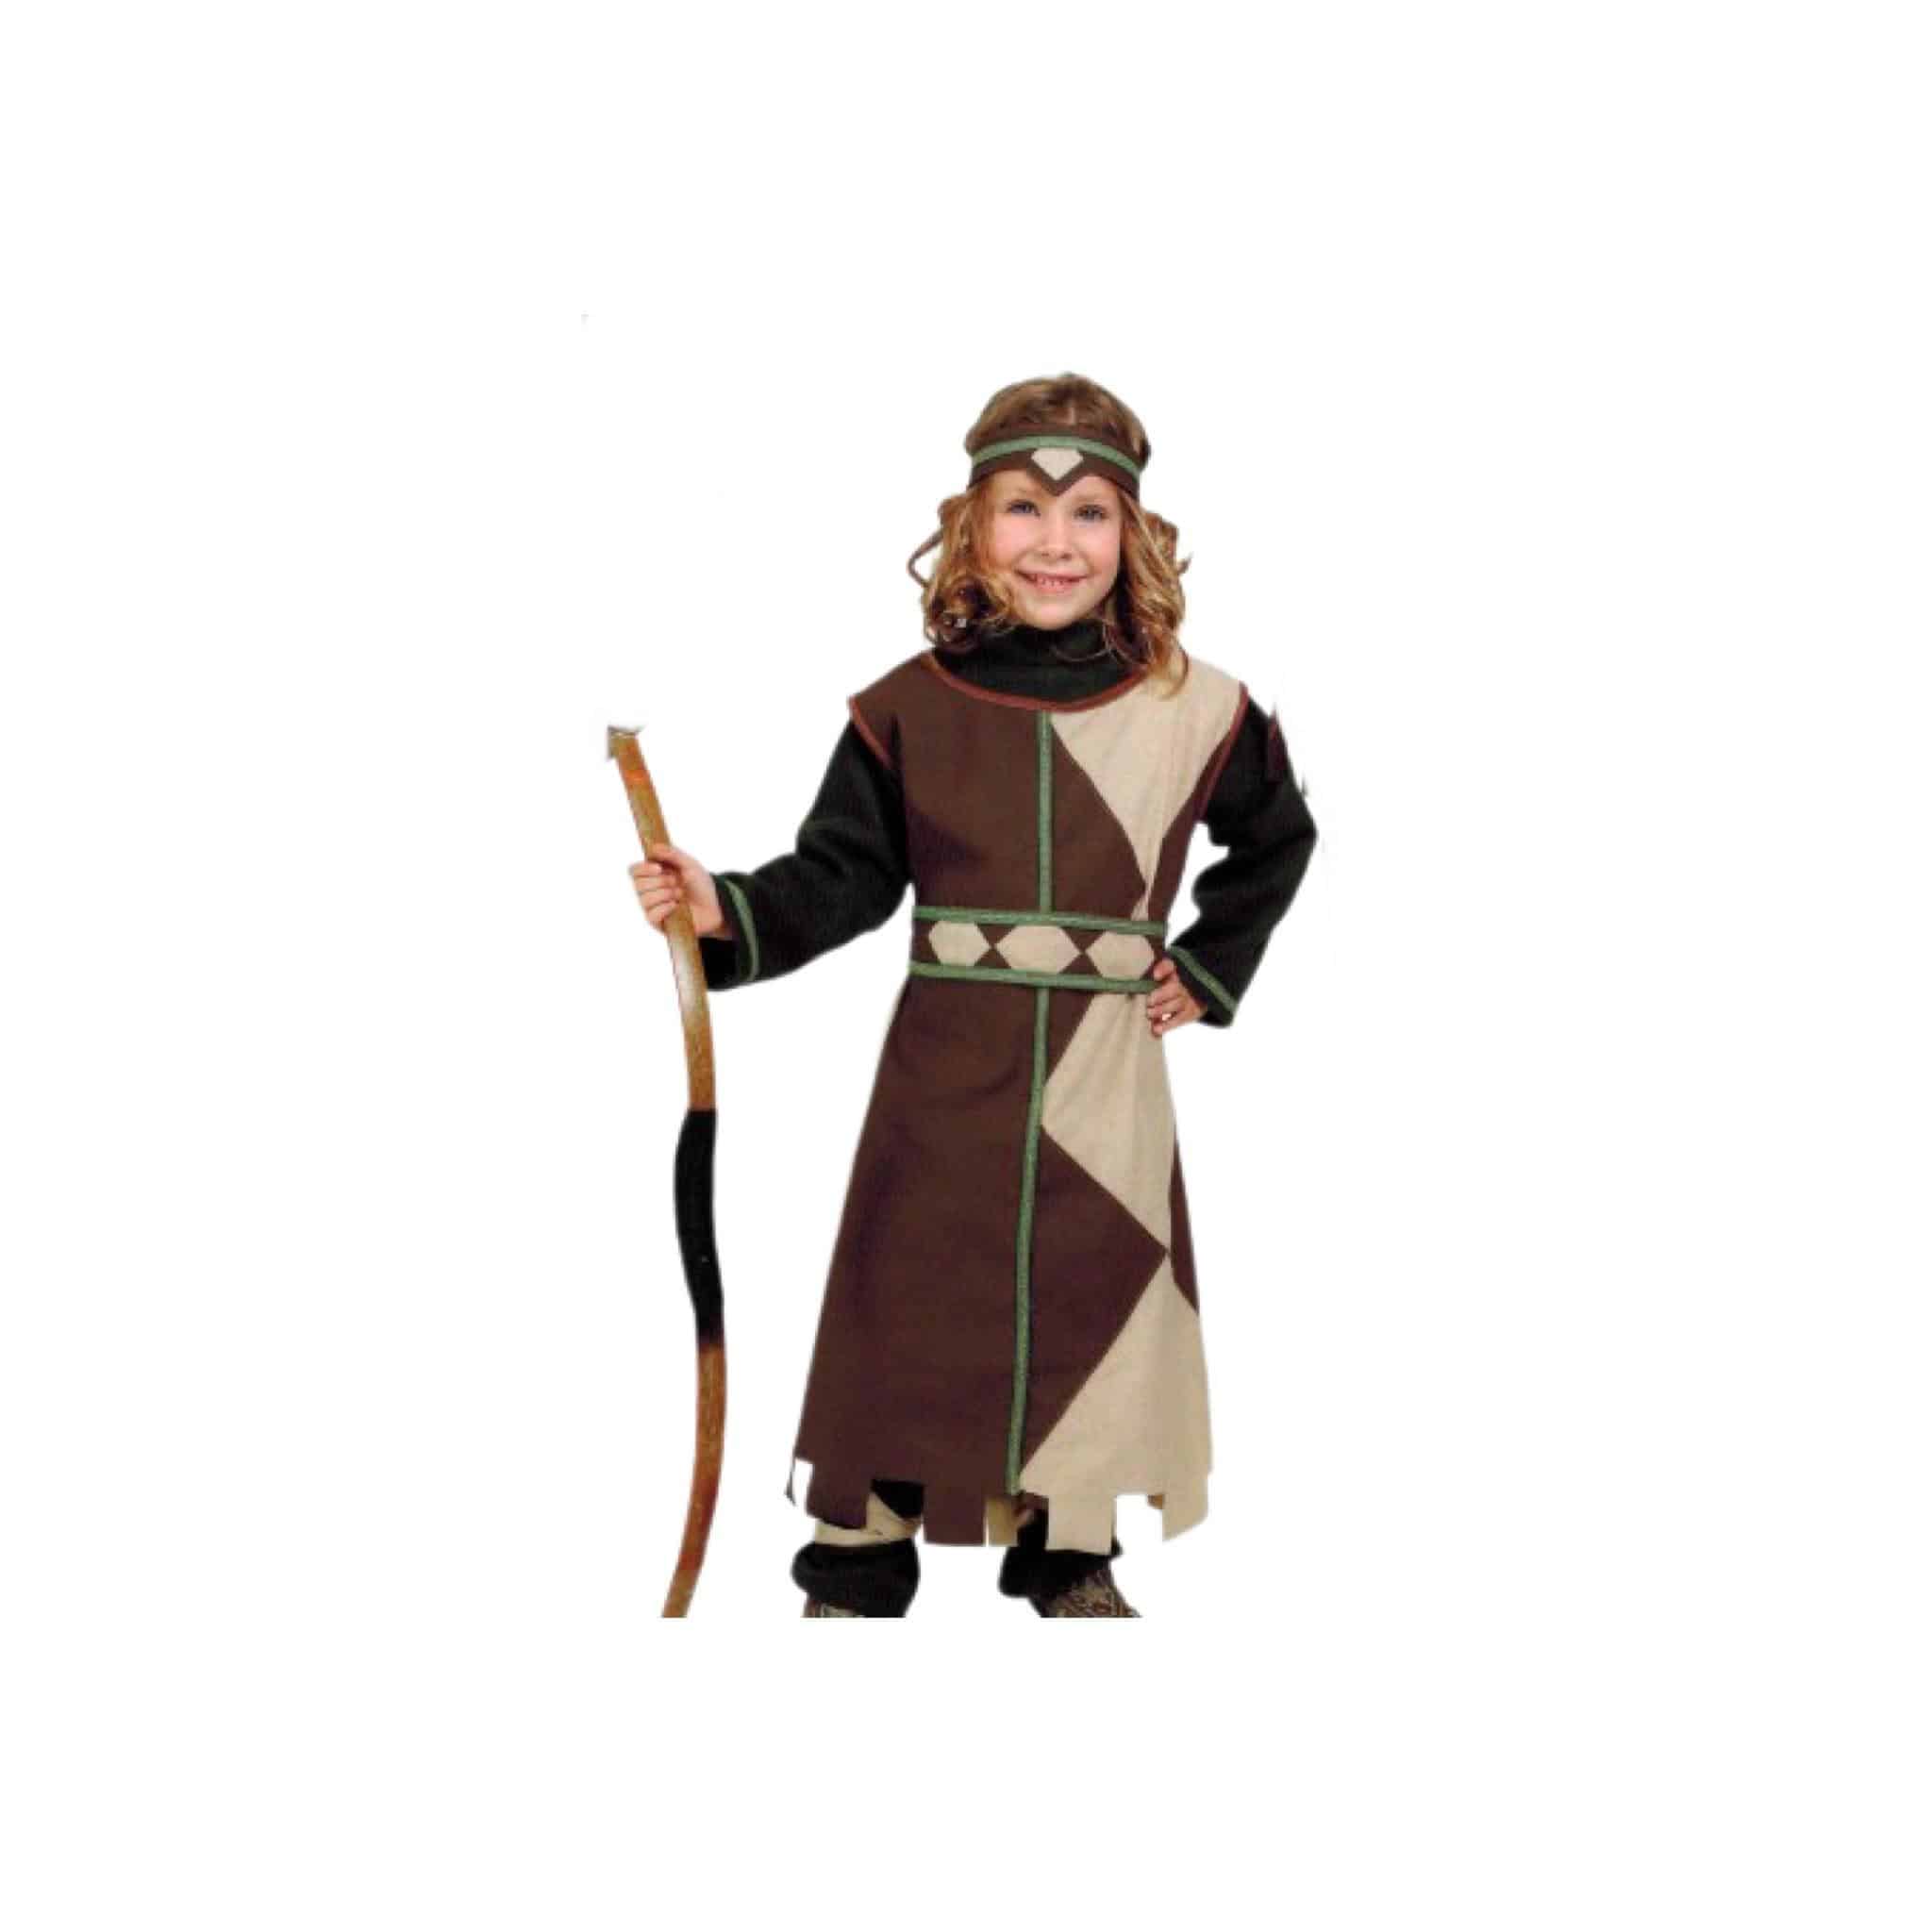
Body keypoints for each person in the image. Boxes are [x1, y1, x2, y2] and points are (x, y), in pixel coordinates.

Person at [629, 373, 1319, 1616]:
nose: (1057, 542)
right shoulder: (908, 708)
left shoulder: (1199, 708)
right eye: (1023, 509)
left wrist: (1210, 965)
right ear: (971, 527)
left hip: (1106, 1070)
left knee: (1096, 1286)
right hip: (944, 1067)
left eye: (1090, 513)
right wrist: (725, 908)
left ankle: (1068, 1546)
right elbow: (841, 876)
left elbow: (1278, 836)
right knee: (911, 1291)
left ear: (1133, 533)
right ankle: (859, 1553)